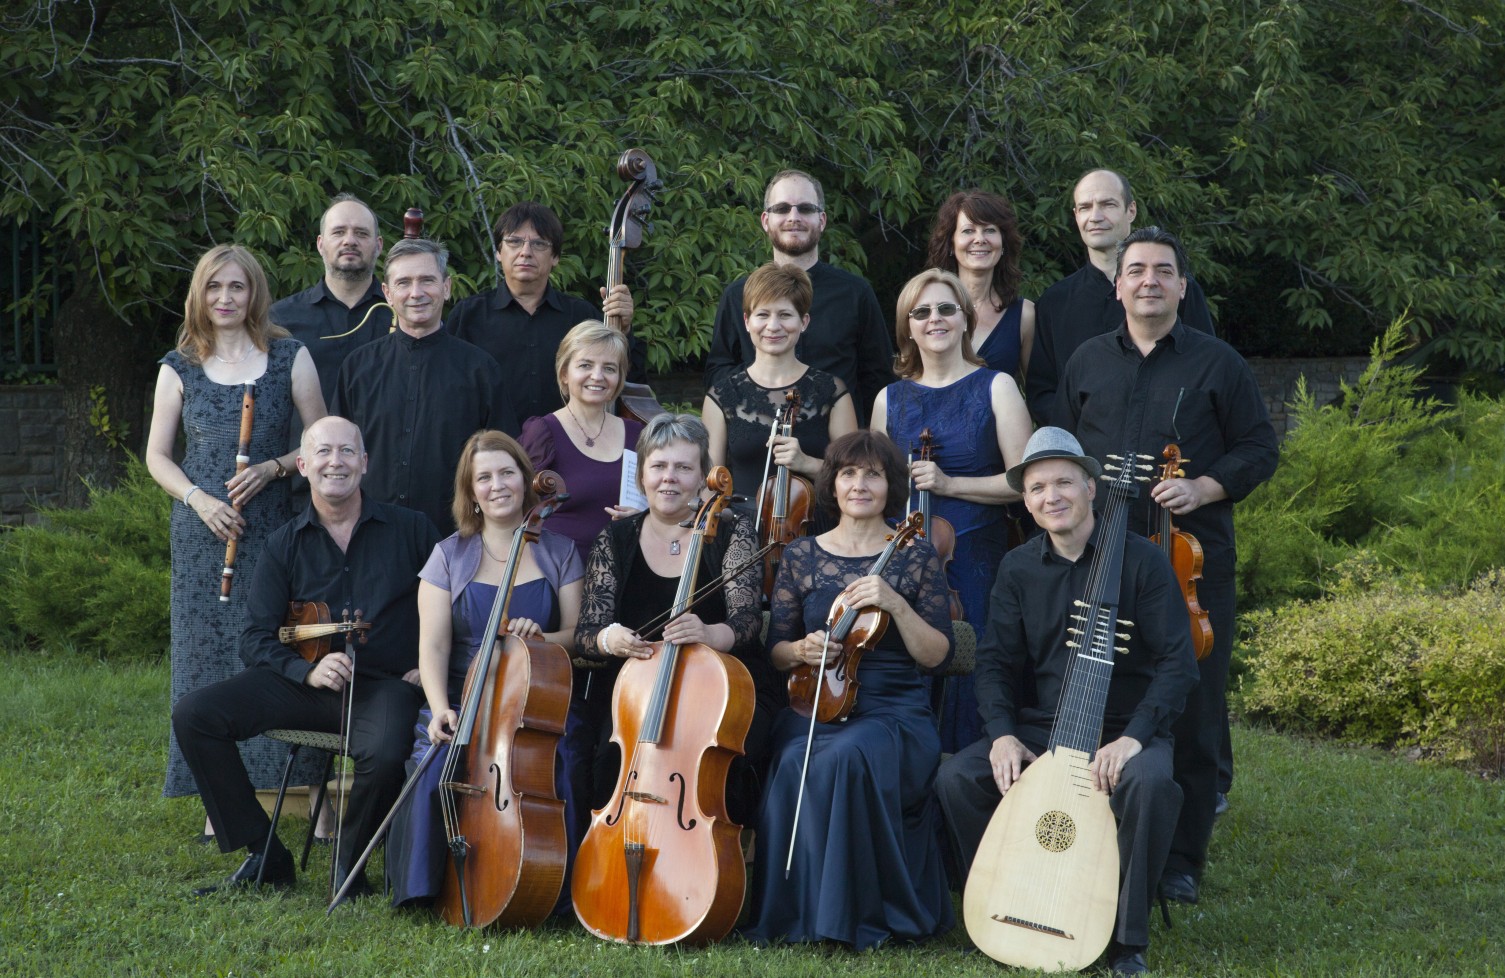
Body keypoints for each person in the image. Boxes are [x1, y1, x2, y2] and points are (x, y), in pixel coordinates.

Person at [1055, 226, 1279, 909]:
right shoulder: (1087, 361)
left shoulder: (1218, 363)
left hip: (1190, 563)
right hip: (1103, 558)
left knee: (1194, 704)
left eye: (1162, 271)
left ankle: (1182, 858)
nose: (1148, 281)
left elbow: (1258, 448)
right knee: (1101, 689)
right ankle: (1101, 830)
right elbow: (1064, 450)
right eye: (1136, 271)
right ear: (1117, 285)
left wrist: (1203, 487)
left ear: (1182, 285)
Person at [934, 427, 1199, 977]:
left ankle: (1126, 940)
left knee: (1149, 783)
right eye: (1036, 488)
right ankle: (1001, 898)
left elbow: (1179, 665)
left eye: (1063, 483)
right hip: (1046, 725)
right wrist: (1003, 734)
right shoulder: (1019, 567)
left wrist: (1135, 738)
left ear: (1091, 488)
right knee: (959, 778)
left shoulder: (1145, 562)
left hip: (1125, 727)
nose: (1051, 497)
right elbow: (995, 663)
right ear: (1027, 503)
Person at [172, 416, 441, 898]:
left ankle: (349, 865)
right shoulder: (284, 543)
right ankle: (265, 855)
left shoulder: (413, 530)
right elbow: (255, 638)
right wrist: (307, 671)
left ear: (364, 462)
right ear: (302, 465)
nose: (335, 461)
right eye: (323, 452)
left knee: (384, 753)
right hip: (304, 687)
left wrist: (430, 666)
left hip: (385, 686)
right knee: (196, 715)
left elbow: (450, 608)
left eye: (346, 451)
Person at [746, 430, 955, 949]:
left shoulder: (915, 555)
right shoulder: (801, 556)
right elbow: (775, 651)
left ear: (891, 487)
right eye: (848, 474)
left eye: (873, 475)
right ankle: (794, 915)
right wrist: (802, 649)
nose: (859, 485)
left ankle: (846, 917)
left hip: (894, 709)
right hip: (818, 700)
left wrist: (896, 604)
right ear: (831, 485)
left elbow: (937, 656)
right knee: (792, 760)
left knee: (845, 756)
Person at [146, 244, 327, 839]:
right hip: (203, 534)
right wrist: (199, 500)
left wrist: (273, 468)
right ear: (200, 295)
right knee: (205, 661)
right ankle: (219, 798)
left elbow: (321, 443)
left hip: (273, 528)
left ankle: (314, 798)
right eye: (214, 287)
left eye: (237, 287)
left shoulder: (290, 356)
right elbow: (157, 456)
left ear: (255, 294)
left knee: (285, 652)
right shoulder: (178, 366)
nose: (225, 298)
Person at [386, 430, 584, 908]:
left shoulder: (560, 550)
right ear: (470, 492)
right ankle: (426, 885)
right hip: (464, 693)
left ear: (525, 479)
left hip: (538, 695)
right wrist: (439, 709)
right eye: (484, 478)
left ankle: (556, 883)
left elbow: (578, 637)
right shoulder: (448, 555)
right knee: (436, 764)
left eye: (506, 473)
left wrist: (539, 639)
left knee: (564, 758)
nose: (497, 485)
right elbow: (433, 646)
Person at [573, 414, 777, 827]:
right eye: (659, 466)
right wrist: (611, 639)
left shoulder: (731, 531)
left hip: (721, 684)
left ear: (703, 476)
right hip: (635, 692)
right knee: (606, 758)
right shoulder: (615, 539)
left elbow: (748, 621)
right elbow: (586, 634)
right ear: (641, 476)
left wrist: (708, 633)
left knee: (719, 758)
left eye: (683, 467)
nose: (669, 478)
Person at [872, 269, 1031, 752]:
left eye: (946, 309)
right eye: (921, 312)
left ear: (965, 319)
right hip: (904, 556)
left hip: (975, 557)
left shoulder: (997, 386)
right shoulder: (888, 399)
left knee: (975, 664)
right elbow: (872, 490)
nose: (934, 319)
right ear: (908, 327)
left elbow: (1026, 482)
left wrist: (949, 484)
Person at [331, 237, 517, 535]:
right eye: (404, 283)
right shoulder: (357, 367)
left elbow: (503, 460)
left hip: (455, 535)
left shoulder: (481, 370)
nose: (416, 293)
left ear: (446, 287)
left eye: (427, 280)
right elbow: (337, 454)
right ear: (388, 294)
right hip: (368, 534)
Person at [704, 169, 894, 424]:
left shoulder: (855, 293)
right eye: (782, 209)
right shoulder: (738, 295)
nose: (793, 217)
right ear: (765, 220)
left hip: (839, 442)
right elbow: (718, 374)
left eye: (805, 209)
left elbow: (878, 380)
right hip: (759, 437)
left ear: (822, 220)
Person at [1027, 169, 1216, 424]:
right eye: (1085, 207)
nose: (1095, 216)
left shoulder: (1175, 289)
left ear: (1131, 210)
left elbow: (1207, 369)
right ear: (1076, 216)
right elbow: (1042, 393)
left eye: (1108, 204)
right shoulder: (1054, 302)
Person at [447, 200, 649, 424]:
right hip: (493, 444)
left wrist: (623, 329)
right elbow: (449, 393)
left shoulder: (581, 316)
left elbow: (625, 382)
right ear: (498, 252)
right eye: (514, 242)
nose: (525, 252)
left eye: (539, 244)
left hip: (570, 443)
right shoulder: (468, 315)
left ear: (555, 257)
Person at [703, 261, 857, 527]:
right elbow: (709, 486)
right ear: (747, 322)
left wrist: (807, 463)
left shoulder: (832, 392)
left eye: (785, 315)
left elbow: (855, 477)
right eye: (763, 315)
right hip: (741, 532)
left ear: (804, 322)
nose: (773, 326)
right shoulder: (722, 395)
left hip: (814, 529)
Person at [269, 194, 390, 404]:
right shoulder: (280, 319)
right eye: (338, 232)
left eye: (361, 233)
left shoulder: (403, 314)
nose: (349, 241)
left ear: (378, 245)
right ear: (320, 244)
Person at [926, 189, 1035, 380]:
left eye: (989, 230)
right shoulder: (925, 310)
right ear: (951, 244)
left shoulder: (1024, 315)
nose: (979, 239)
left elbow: (1037, 391)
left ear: (1003, 243)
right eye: (968, 231)